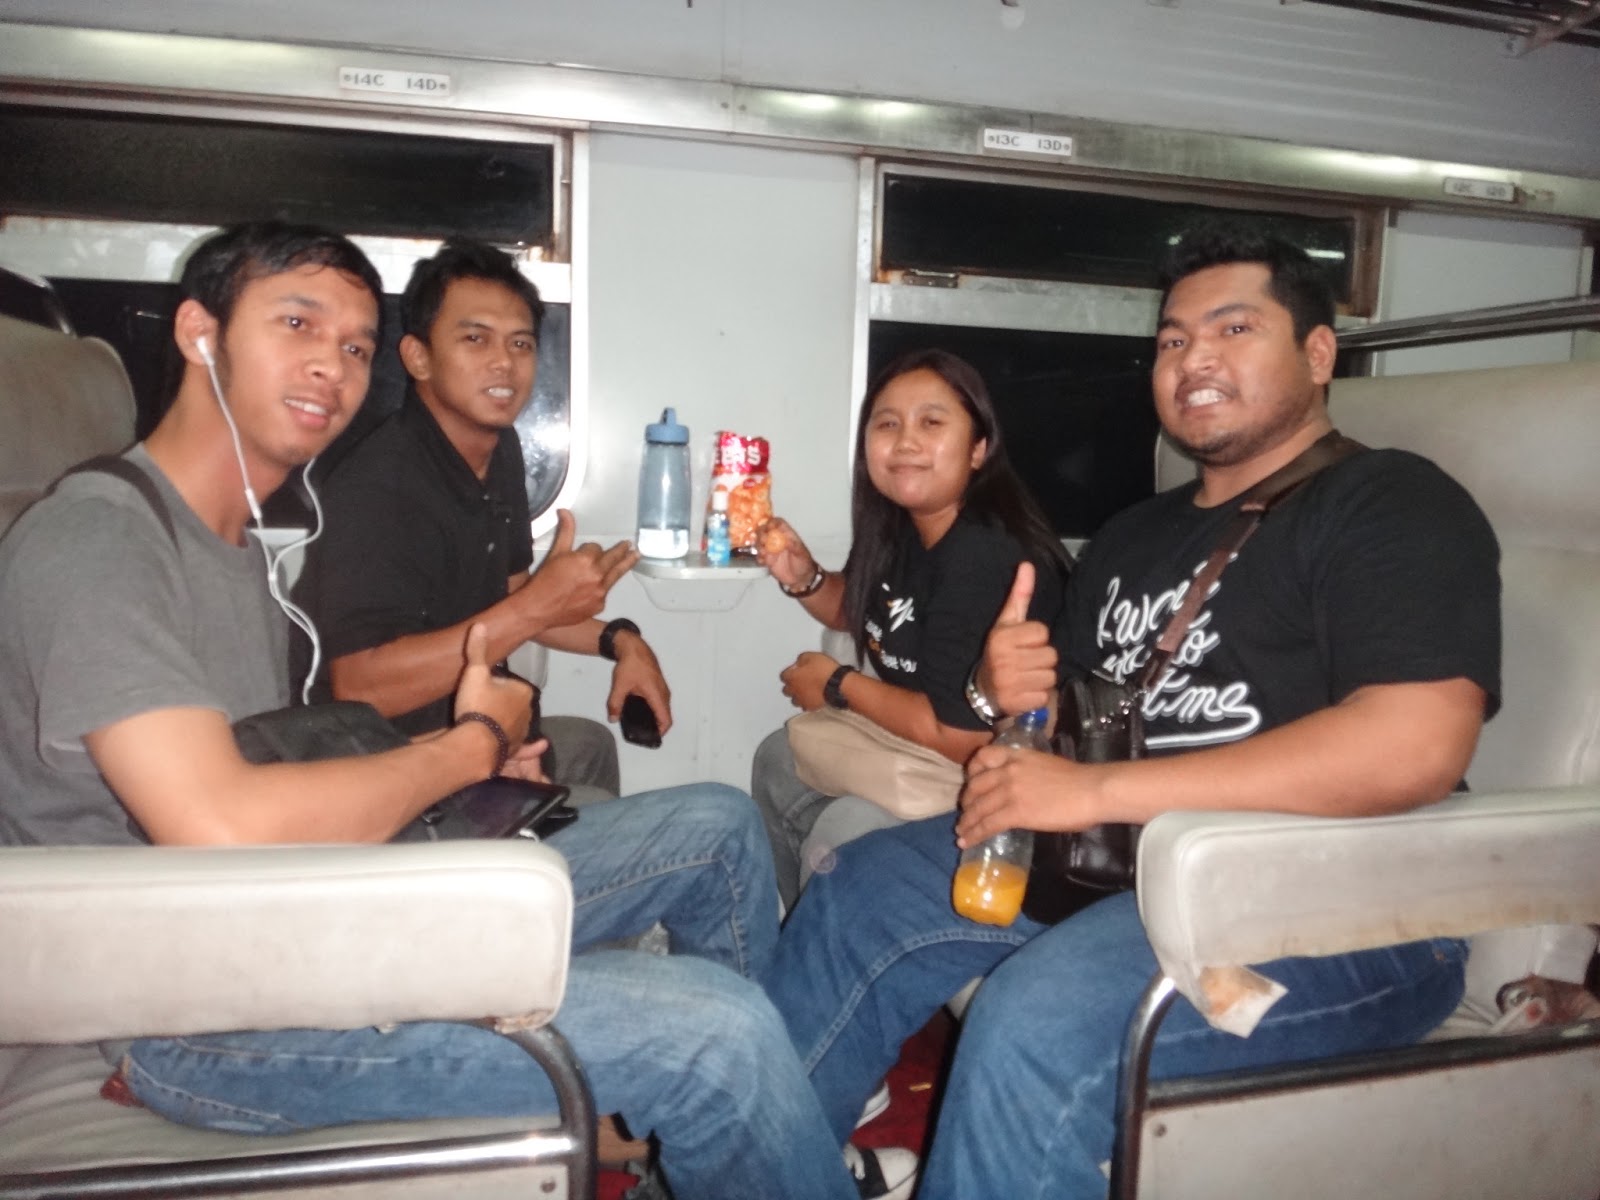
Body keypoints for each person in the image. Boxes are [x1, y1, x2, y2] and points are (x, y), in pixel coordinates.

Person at [0, 221, 914, 1200]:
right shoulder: (100, 543)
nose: (333, 366)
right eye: (297, 324)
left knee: (717, 827)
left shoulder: (231, 553)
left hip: (301, 914)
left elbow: (277, 759)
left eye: (353, 345)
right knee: (710, 1028)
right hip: (202, 1014)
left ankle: (768, 1140)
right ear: (199, 332)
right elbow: (218, 822)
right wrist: (468, 748)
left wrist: (460, 764)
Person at [764, 223, 1501, 1198]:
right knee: (855, 891)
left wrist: (1094, 792)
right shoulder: (1131, 535)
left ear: (1319, 354)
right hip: (1119, 863)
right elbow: (1049, 716)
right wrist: (1002, 692)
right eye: (1172, 339)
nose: (1194, 357)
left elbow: (1414, 744)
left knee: (1035, 1022)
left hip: (1333, 900)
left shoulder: (1388, 502)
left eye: (1234, 329)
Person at [293, 236, 670, 801]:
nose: (504, 362)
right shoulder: (378, 485)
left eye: (521, 343)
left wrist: (623, 642)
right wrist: (539, 605)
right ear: (418, 357)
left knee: (590, 744)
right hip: (395, 773)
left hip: (483, 741)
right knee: (719, 818)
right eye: (475, 338)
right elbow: (360, 686)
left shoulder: (499, 452)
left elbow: (515, 601)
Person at [752, 348, 1071, 909]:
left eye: (931, 422)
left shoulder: (983, 555)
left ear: (978, 448)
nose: (905, 442)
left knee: (844, 832)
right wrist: (804, 577)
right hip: (931, 747)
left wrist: (836, 685)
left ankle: (830, 942)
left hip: (997, 770)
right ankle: (808, 936)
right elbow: (865, 613)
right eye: (887, 424)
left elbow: (961, 733)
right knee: (778, 760)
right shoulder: (902, 527)